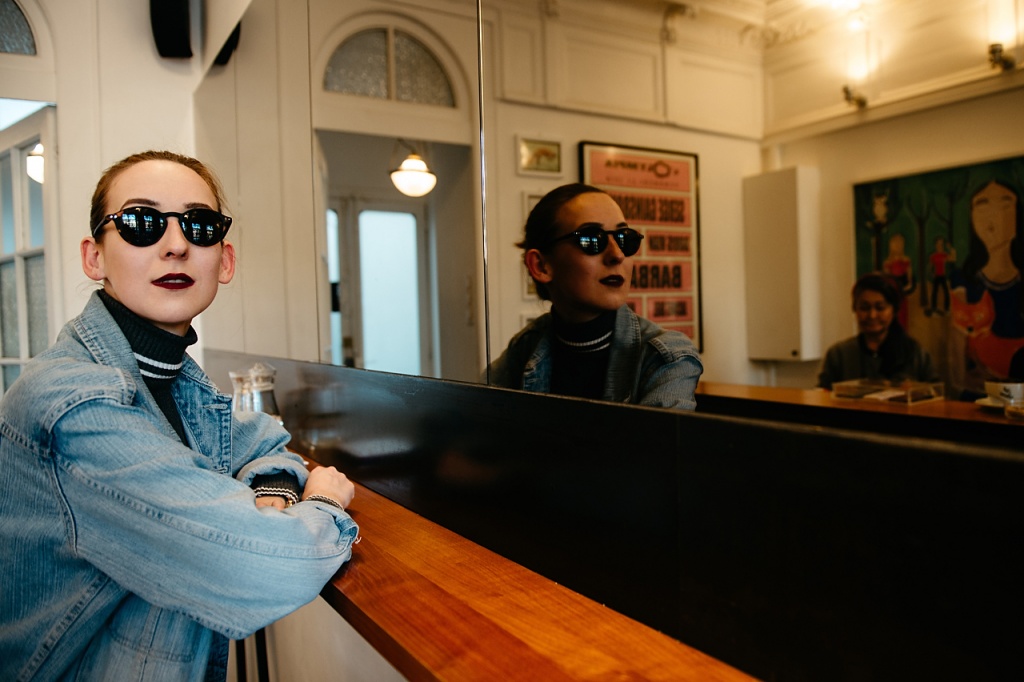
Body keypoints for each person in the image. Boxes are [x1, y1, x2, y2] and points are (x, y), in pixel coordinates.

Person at [0, 151, 359, 681]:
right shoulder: (74, 403)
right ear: (94, 258)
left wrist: (274, 492)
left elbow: (263, 442)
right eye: (141, 222)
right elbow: (269, 565)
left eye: (200, 224)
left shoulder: (171, 377)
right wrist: (323, 502)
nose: (176, 244)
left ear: (225, 261)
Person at [488, 183, 703, 410]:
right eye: (591, 239)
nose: (617, 255)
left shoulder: (666, 355)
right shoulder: (526, 345)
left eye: (624, 238)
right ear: (541, 266)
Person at [817, 272, 938, 389]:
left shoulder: (915, 354)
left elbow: (936, 394)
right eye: (864, 308)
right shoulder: (839, 355)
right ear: (855, 308)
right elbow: (822, 396)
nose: (872, 315)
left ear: (894, 310)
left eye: (880, 308)